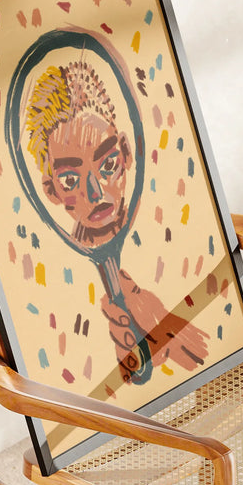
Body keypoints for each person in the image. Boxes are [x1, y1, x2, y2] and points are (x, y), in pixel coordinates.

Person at [23, 59, 208, 381]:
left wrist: (167, 329)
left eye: (108, 164)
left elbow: (212, 357)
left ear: (125, 151)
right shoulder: (52, 286)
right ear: (50, 189)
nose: (95, 193)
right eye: (70, 180)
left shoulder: (174, 234)